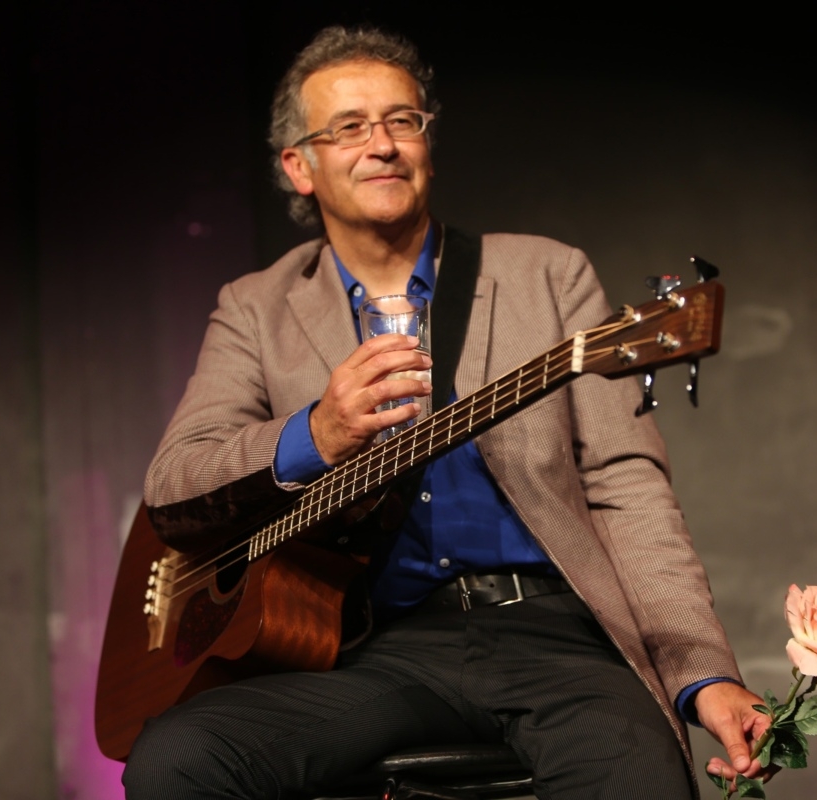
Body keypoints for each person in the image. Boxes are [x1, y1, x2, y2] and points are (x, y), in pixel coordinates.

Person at [122, 24, 771, 800]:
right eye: (350, 127)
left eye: (402, 120)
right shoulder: (255, 308)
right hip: (377, 651)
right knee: (177, 759)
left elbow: (628, 488)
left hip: (557, 636)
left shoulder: (546, 273)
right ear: (299, 166)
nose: (383, 145)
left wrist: (703, 675)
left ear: (427, 143)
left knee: (641, 782)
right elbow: (176, 482)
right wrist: (314, 434)